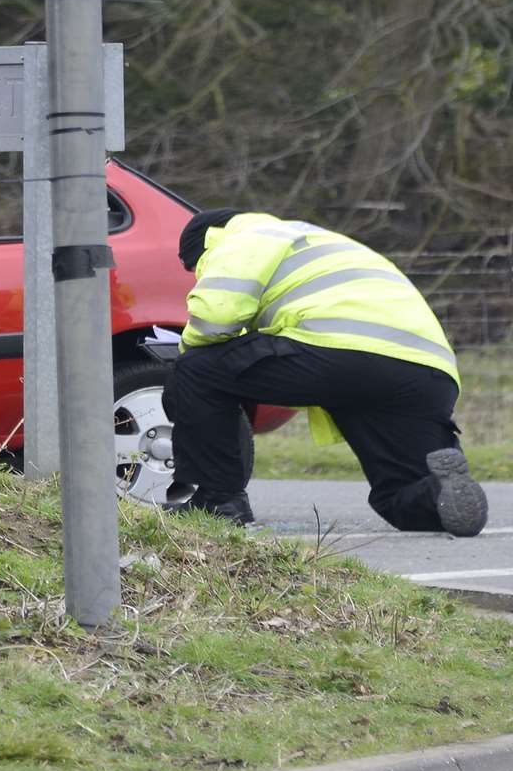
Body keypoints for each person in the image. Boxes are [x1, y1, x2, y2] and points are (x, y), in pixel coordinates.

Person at [162, 209, 487, 535]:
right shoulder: (318, 240)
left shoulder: (240, 239)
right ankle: (439, 493)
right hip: (426, 369)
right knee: (396, 495)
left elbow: (216, 317)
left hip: (340, 353)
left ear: (205, 245)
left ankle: (219, 502)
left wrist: (180, 373)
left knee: (197, 369)